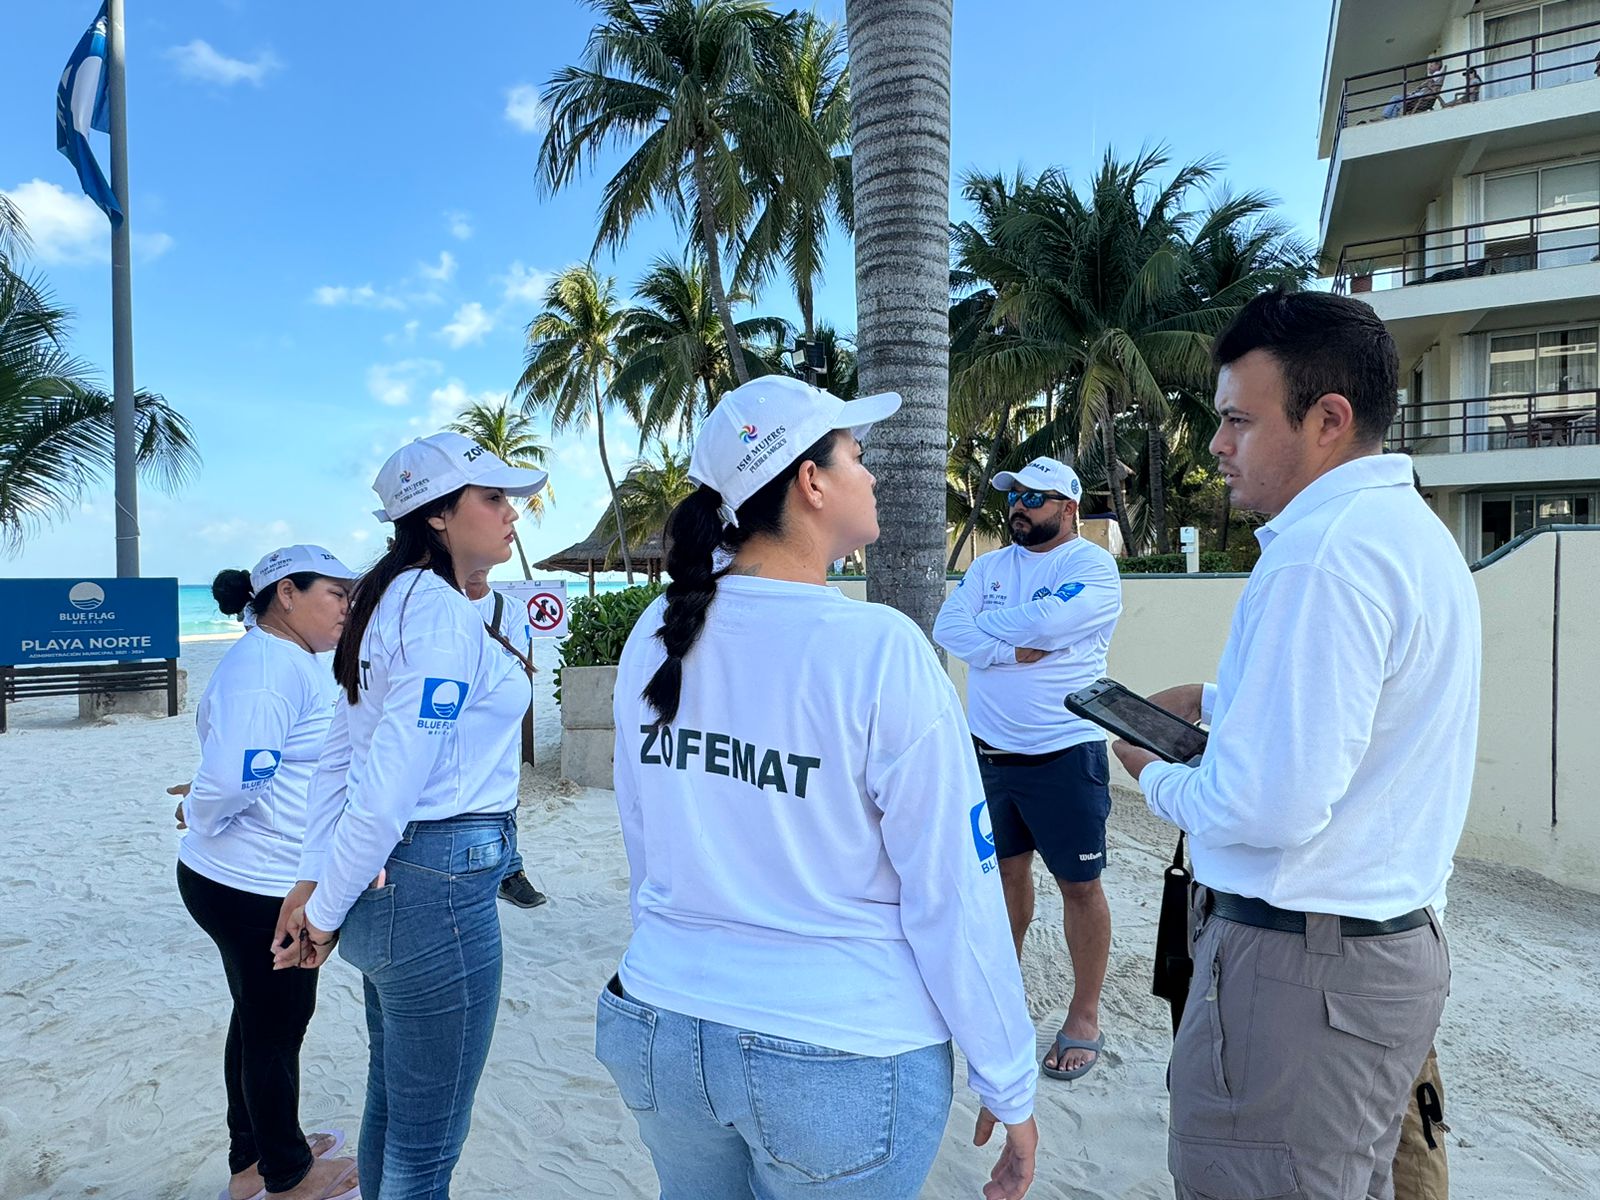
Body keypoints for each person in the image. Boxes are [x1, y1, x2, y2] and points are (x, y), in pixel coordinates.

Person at [602, 375, 1039, 1200]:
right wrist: (1008, 1078)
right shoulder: (876, 648)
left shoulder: (654, 633)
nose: (871, 475)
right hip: (838, 1050)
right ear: (810, 481)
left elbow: (644, 837)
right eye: (857, 456)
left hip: (659, 1024)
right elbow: (951, 885)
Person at [1111, 289, 1480, 1200]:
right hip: (1374, 957)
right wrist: (1224, 698)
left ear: (1328, 419)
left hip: (1303, 975)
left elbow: (1265, 807)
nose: (1217, 443)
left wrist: (1154, 772)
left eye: (1238, 418)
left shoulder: (1324, 557)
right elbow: (1371, 730)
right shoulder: (1409, 534)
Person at [272, 431, 547, 1200]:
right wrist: (321, 909)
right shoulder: (433, 613)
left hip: (395, 883)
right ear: (435, 515)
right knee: (426, 1147)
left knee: (392, 1109)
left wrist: (314, 880)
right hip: (437, 885)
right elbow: (387, 781)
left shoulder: (389, 600)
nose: (511, 511)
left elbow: (341, 753)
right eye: (491, 497)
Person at [173, 544, 361, 1200]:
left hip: (246, 877)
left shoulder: (283, 659)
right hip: (257, 887)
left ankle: (254, 1158)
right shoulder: (268, 667)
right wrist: (199, 808)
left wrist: (202, 801)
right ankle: (286, 1177)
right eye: (336, 594)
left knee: (257, 1020)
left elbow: (253, 764)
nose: (348, 606)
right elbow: (234, 776)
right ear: (287, 593)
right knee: (276, 1029)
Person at [932, 457, 1122, 1082]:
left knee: (1080, 888)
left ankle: (1085, 1014)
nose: (1020, 506)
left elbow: (1051, 621)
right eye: (1014, 495)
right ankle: (1002, 997)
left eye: (1036, 498)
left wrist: (996, 639)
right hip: (988, 753)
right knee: (1003, 879)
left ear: (1068, 508)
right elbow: (949, 627)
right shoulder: (987, 567)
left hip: (1066, 753)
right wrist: (1016, 647)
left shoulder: (1090, 567)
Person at [463, 570, 547, 910]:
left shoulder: (509, 608)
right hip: (455, 721)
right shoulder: (442, 605)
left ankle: (511, 871)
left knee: (505, 794)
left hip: (496, 723)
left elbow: (512, 666)